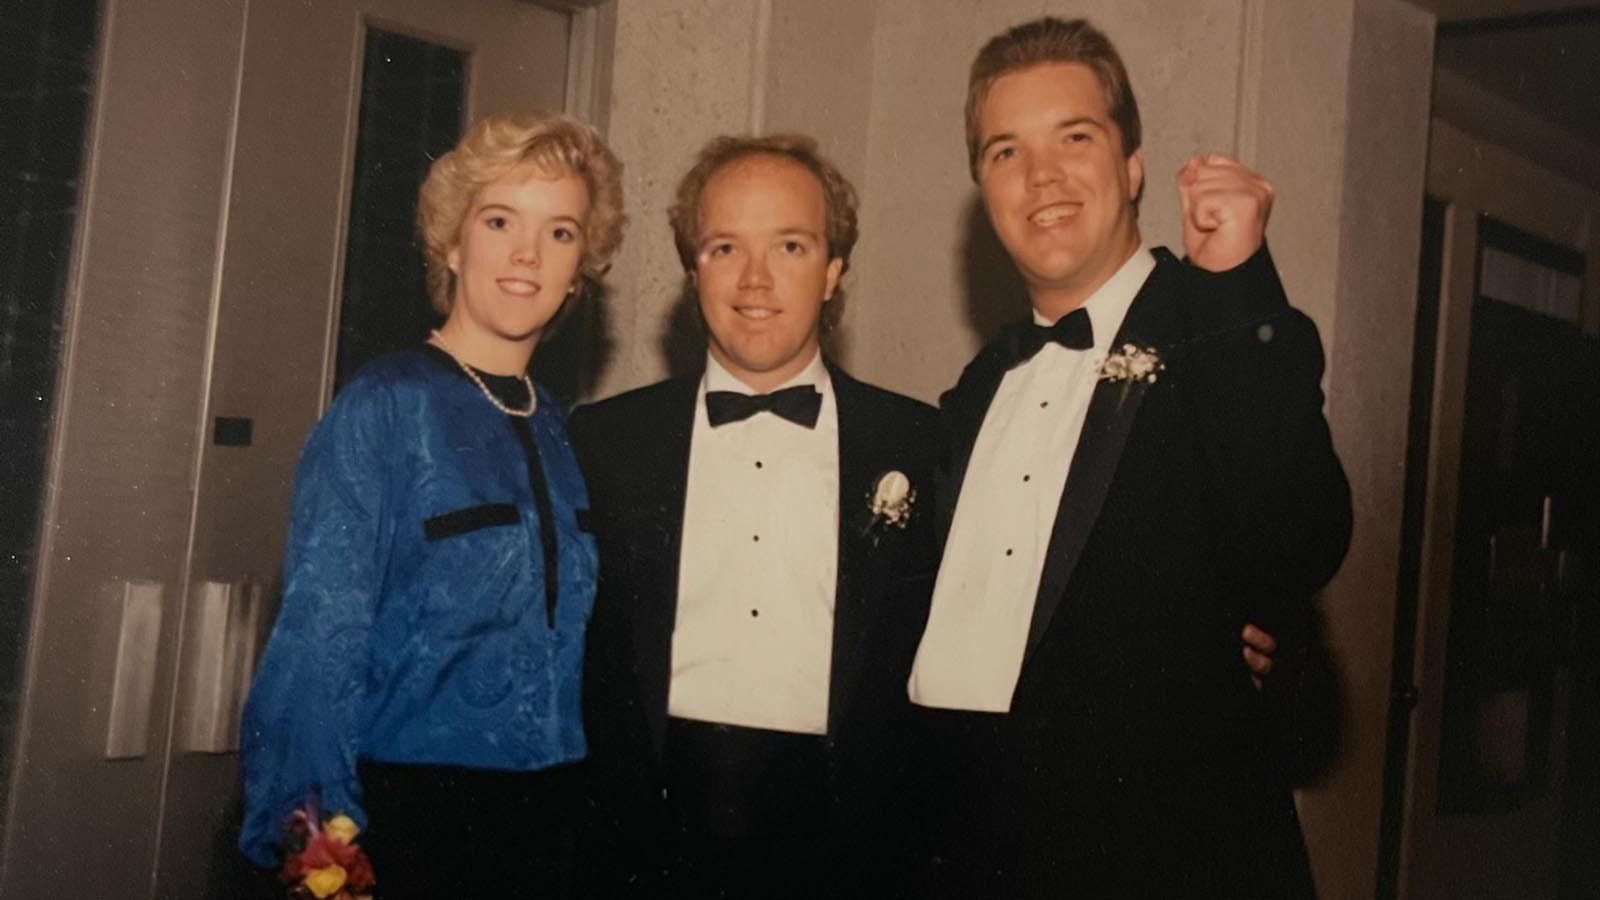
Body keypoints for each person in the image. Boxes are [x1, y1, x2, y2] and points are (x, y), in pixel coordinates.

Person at [905, 17, 1352, 899]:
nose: (1042, 177)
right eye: (1005, 151)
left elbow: (1298, 539)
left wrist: (1237, 281)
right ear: (982, 189)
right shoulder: (980, 385)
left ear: (1133, 164)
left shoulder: (1216, 323)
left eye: (1075, 137)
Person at [238, 110, 625, 899]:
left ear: (581, 266)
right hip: (408, 826)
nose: (527, 255)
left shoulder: (561, 427)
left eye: (560, 233)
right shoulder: (385, 405)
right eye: (499, 220)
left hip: (550, 829)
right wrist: (322, 867)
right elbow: (317, 649)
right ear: (453, 243)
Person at [568, 134, 938, 899]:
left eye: (791, 246)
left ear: (834, 272)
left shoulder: (925, 445)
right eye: (726, 246)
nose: (756, 279)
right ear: (691, 269)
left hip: (852, 858)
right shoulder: (602, 443)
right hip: (644, 852)